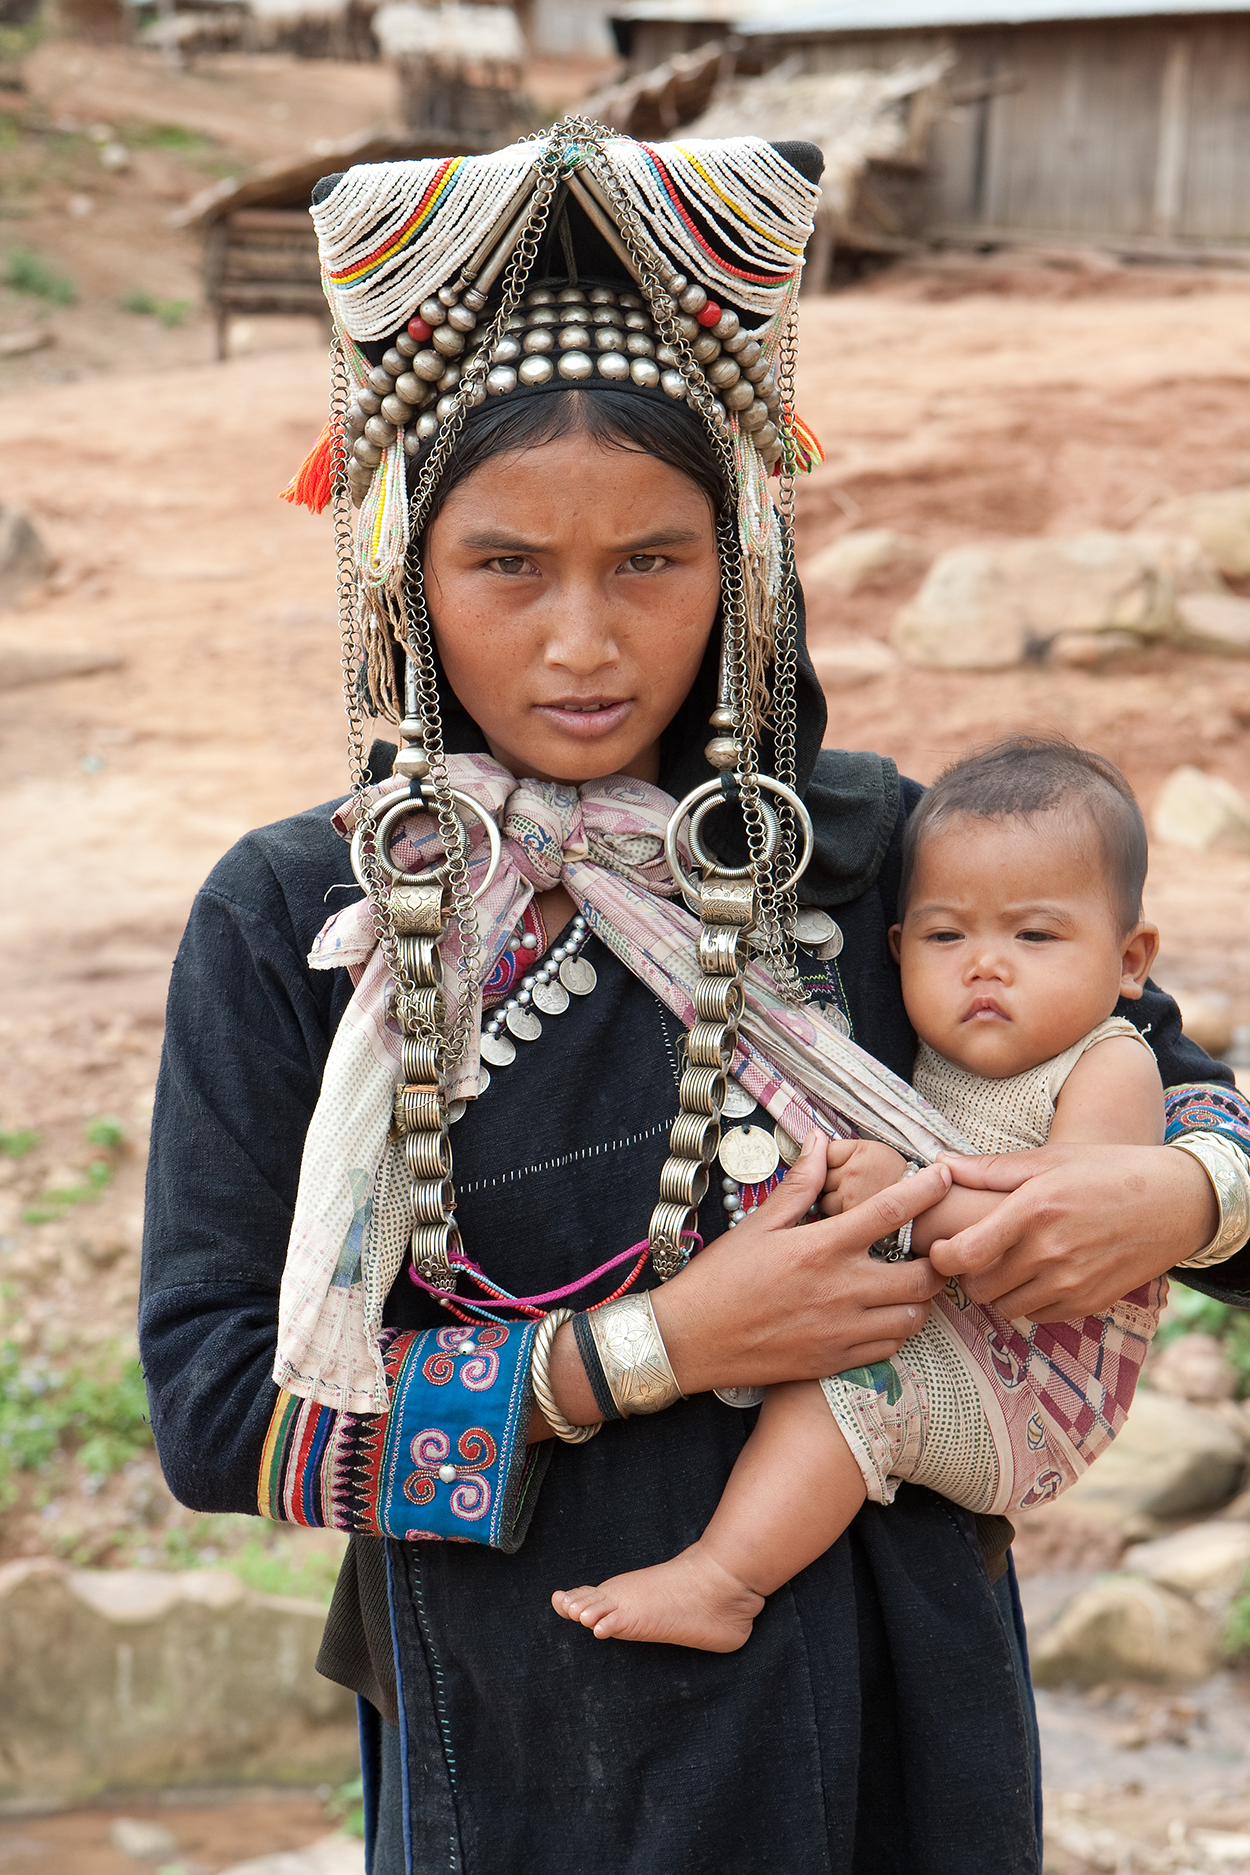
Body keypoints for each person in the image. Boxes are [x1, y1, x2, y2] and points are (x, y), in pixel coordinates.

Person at [139, 122, 1250, 1875]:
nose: (582, 645)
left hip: (901, 1719)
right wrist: (644, 1355)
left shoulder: (877, 850)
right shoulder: (301, 918)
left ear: (739, 560)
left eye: (649, 563)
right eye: (508, 565)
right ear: (401, 579)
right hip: (528, 1738)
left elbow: (1192, 1111)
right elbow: (221, 1420)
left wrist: (1171, 1195)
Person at [551, 738, 1169, 1653]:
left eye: (1034, 936)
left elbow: (1058, 1224)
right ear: (896, 947)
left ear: (1131, 959)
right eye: (945, 936)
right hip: (968, 1334)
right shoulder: (916, 1055)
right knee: (834, 1354)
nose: (984, 966)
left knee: (844, 1383)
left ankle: (724, 1579)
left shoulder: (1108, 1063)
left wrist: (911, 1203)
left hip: (1040, 1376)